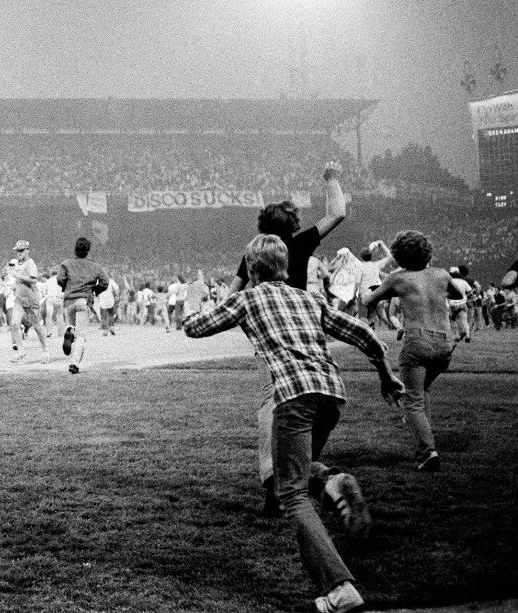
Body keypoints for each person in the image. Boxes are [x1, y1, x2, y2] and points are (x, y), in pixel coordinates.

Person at [184, 234, 403, 613]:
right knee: (297, 472)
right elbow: (364, 333)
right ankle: (330, 480)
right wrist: (386, 375)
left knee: (291, 494)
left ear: (251, 270)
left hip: (293, 396)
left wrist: (193, 297)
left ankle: (339, 587)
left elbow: (195, 327)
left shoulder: (248, 298)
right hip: (332, 393)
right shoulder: (308, 298)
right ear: (285, 268)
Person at [226, 161, 349, 517]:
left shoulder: (254, 255)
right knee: (303, 402)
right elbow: (338, 212)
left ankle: (273, 478)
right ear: (293, 226)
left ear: (262, 227)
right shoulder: (300, 244)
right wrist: (330, 179)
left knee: (272, 402)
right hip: (306, 330)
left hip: (270, 335)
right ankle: (304, 472)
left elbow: (232, 294)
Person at [364, 231, 465, 472]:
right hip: (444, 344)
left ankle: (427, 452)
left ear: (398, 256)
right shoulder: (440, 274)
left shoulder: (398, 279)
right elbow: (459, 294)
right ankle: (424, 435)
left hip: (417, 342)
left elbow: (369, 300)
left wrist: (379, 288)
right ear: (427, 252)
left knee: (412, 400)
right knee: (422, 391)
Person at [56, 237, 109, 374]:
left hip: (69, 301)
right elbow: (105, 282)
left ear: (75, 249)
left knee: (71, 324)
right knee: (81, 335)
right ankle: (74, 362)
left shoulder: (66, 263)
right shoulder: (95, 266)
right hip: (83, 300)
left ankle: (69, 330)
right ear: (88, 251)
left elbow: (60, 279)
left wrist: (67, 287)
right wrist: (95, 291)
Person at [8, 240, 50, 363]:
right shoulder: (17, 264)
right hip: (19, 299)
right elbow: (18, 279)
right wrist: (15, 286)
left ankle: (45, 351)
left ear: (28, 251)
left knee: (36, 326)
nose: (19, 253)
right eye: (18, 251)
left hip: (31, 299)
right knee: (14, 324)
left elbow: (34, 280)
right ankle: (21, 351)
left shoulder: (30, 263)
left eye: (22, 250)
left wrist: (18, 276)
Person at [447, 266, 472, 343]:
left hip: (452, 305)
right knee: (464, 320)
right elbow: (470, 292)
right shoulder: (463, 282)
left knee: (452, 320)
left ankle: (457, 335)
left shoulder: (449, 282)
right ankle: (467, 335)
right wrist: (466, 298)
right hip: (463, 304)